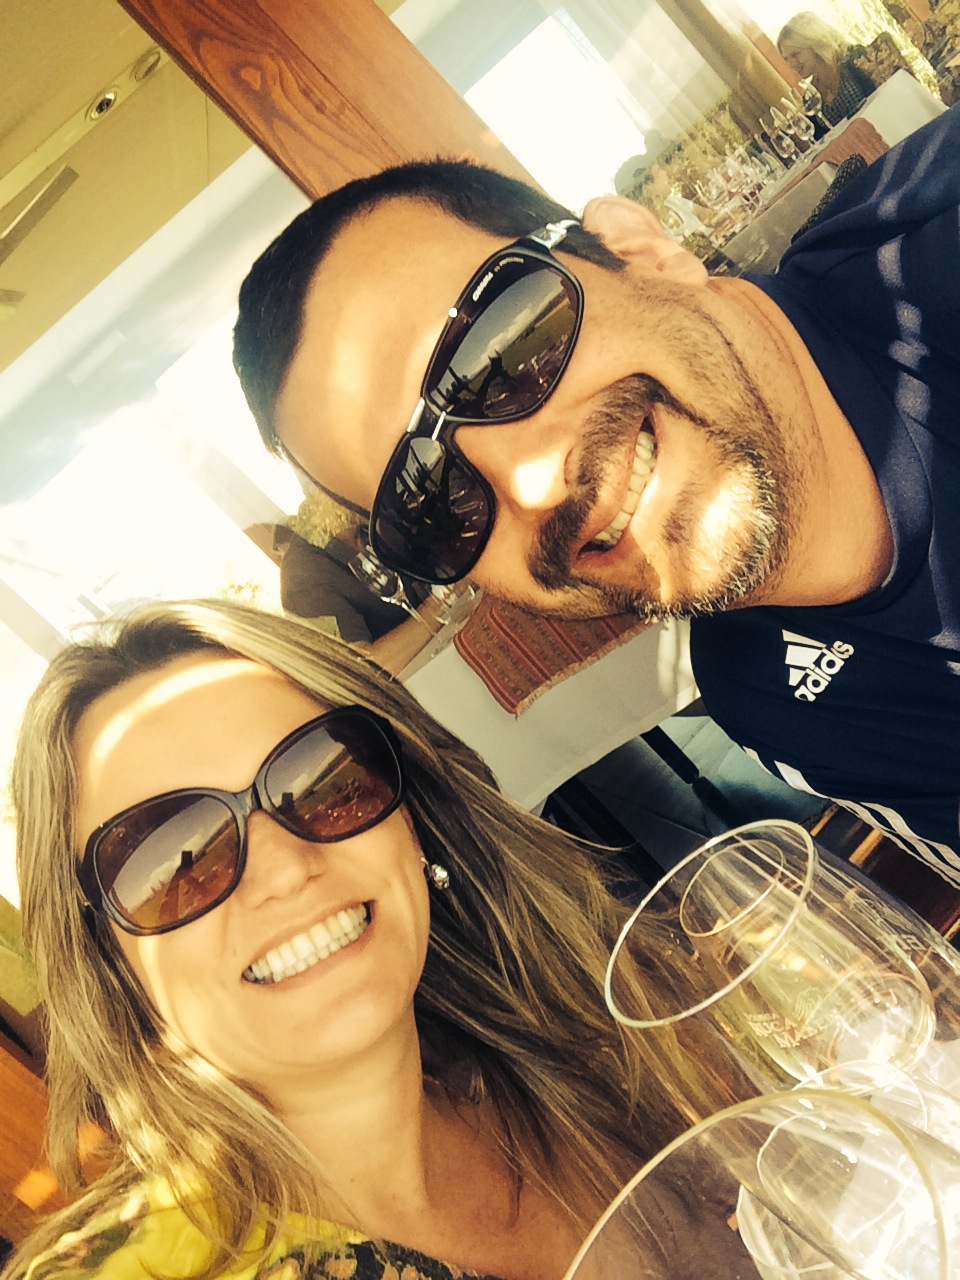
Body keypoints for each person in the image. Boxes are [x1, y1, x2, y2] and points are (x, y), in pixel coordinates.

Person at [231, 107, 960, 883]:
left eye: (498, 349)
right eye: (429, 504)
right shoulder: (767, 699)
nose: (531, 486)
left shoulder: (932, 254)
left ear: (639, 253)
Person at [4, 599, 735, 1280]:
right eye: (172, 861)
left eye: (324, 779)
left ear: (413, 822)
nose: (286, 869)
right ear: (106, 962)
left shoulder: (612, 1045)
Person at [776, 12, 875, 124]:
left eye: (795, 54)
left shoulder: (854, 58)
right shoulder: (811, 95)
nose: (791, 64)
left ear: (813, 45)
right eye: (786, 59)